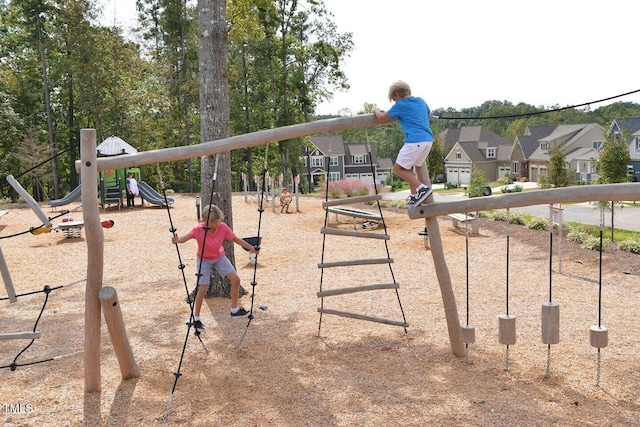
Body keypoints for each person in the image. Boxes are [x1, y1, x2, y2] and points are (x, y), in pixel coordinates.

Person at [171, 204, 259, 332]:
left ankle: (234, 310)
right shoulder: (198, 229)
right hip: (203, 260)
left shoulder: (222, 227)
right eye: (215, 222)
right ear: (207, 221)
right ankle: (196, 318)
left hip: (219, 257)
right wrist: (177, 240)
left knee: (236, 280)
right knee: (202, 288)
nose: (218, 224)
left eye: (219, 221)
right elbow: (184, 239)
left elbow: (235, 239)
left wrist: (251, 248)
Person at [374, 80, 434, 207]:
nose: (395, 102)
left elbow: (381, 118)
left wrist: (376, 110)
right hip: (428, 140)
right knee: (408, 168)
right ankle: (414, 196)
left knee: (397, 168)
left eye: (393, 99)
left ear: (396, 95)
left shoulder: (400, 105)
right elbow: (429, 115)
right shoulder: (421, 101)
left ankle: (422, 189)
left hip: (415, 141)